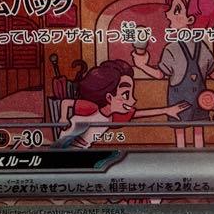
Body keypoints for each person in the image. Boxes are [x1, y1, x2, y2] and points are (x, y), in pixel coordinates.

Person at [131, 0, 214, 147]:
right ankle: (193, 157)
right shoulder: (194, 47)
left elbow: (160, 74)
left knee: (188, 133)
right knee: (192, 133)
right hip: (181, 101)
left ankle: (192, 157)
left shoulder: (176, 49)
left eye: (176, 10)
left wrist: (142, 65)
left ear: (190, 19)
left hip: (200, 100)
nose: (167, 13)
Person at [56, 59, 187, 149]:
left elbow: (138, 114)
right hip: (63, 148)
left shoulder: (111, 118)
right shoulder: (91, 108)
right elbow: (66, 102)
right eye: (125, 95)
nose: (133, 100)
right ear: (109, 97)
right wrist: (63, 118)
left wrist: (166, 110)